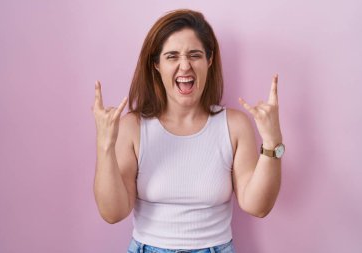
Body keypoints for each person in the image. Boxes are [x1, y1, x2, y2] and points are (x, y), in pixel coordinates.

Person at [92, 9, 284, 253]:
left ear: (209, 60)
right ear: (156, 64)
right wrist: (104, 145)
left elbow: (258, 206)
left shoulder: (234, 125)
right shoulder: (133, 127)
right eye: (172, 56)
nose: (185, 65)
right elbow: (112, 212)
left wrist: (272, 140)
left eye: (195, 55)